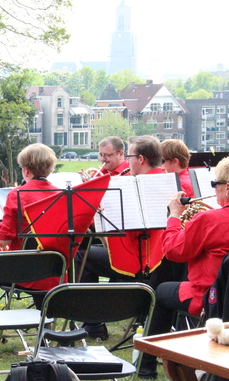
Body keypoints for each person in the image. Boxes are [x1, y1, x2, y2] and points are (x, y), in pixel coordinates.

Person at [139, 155, 229, 379]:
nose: (214, 190)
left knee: (161, 291)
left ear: (228, 188)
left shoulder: (209, 220)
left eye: (215, 185)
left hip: (211, 300)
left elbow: (175, 252)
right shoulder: (209, 218)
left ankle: (146, 365)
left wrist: (175, 217)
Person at [77, 136, 168, 340]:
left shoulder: (133, 186)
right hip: (159, 257)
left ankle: (93, 324)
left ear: (141, 159)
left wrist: (100, 211)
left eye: (129, 156)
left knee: (82, 257)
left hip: (141, 257)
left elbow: (121, 230)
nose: (128, 161)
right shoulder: (166, 179)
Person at [0, 144, 67, 294]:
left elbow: (4, 240)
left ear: (26, 170)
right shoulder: (63, 195)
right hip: (56, 273)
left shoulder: (17, 194)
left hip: (23, 273)